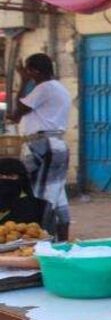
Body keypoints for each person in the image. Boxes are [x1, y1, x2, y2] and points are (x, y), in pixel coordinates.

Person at [8, 53, 72, 242]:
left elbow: (18, 111)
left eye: (28, 71)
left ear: (34, 71)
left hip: (41, 144)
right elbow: (18, 115)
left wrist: (22, 82)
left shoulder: (43, 88)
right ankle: (63, 240)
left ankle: (42, 238)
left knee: (39, 194)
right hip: (57, 144)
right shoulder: (59, 88)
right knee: (56, 192)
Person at [0, 157, 54, 234]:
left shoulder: (40, 207)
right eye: (1, 176)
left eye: (11, 176)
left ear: (22, 179)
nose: (4, 179)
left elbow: (49, 238)